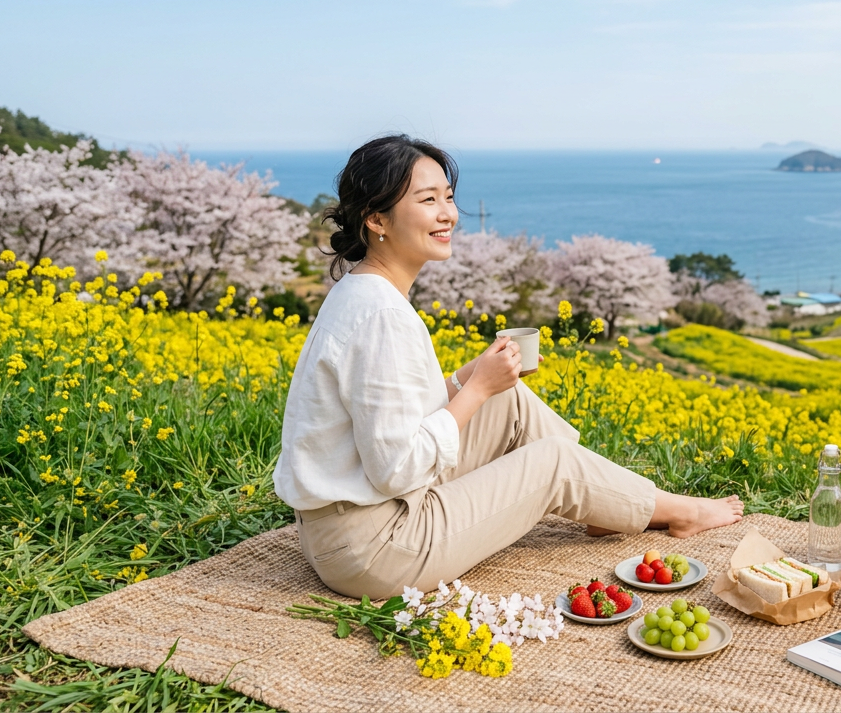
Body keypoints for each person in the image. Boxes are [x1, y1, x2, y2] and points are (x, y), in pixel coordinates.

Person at [272, 135, 744, 599]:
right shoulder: (382, 315)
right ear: (377, 219)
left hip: (343, 532)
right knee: (552, 462)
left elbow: (392, 414)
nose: (447, 214)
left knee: (510, 397)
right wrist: (476, 391)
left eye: (449, 198)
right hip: (377, 549)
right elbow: (396, 469)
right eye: (427, 199)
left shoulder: (362, 291)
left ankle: (605, 506)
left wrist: (470, 377)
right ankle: (675, 511)